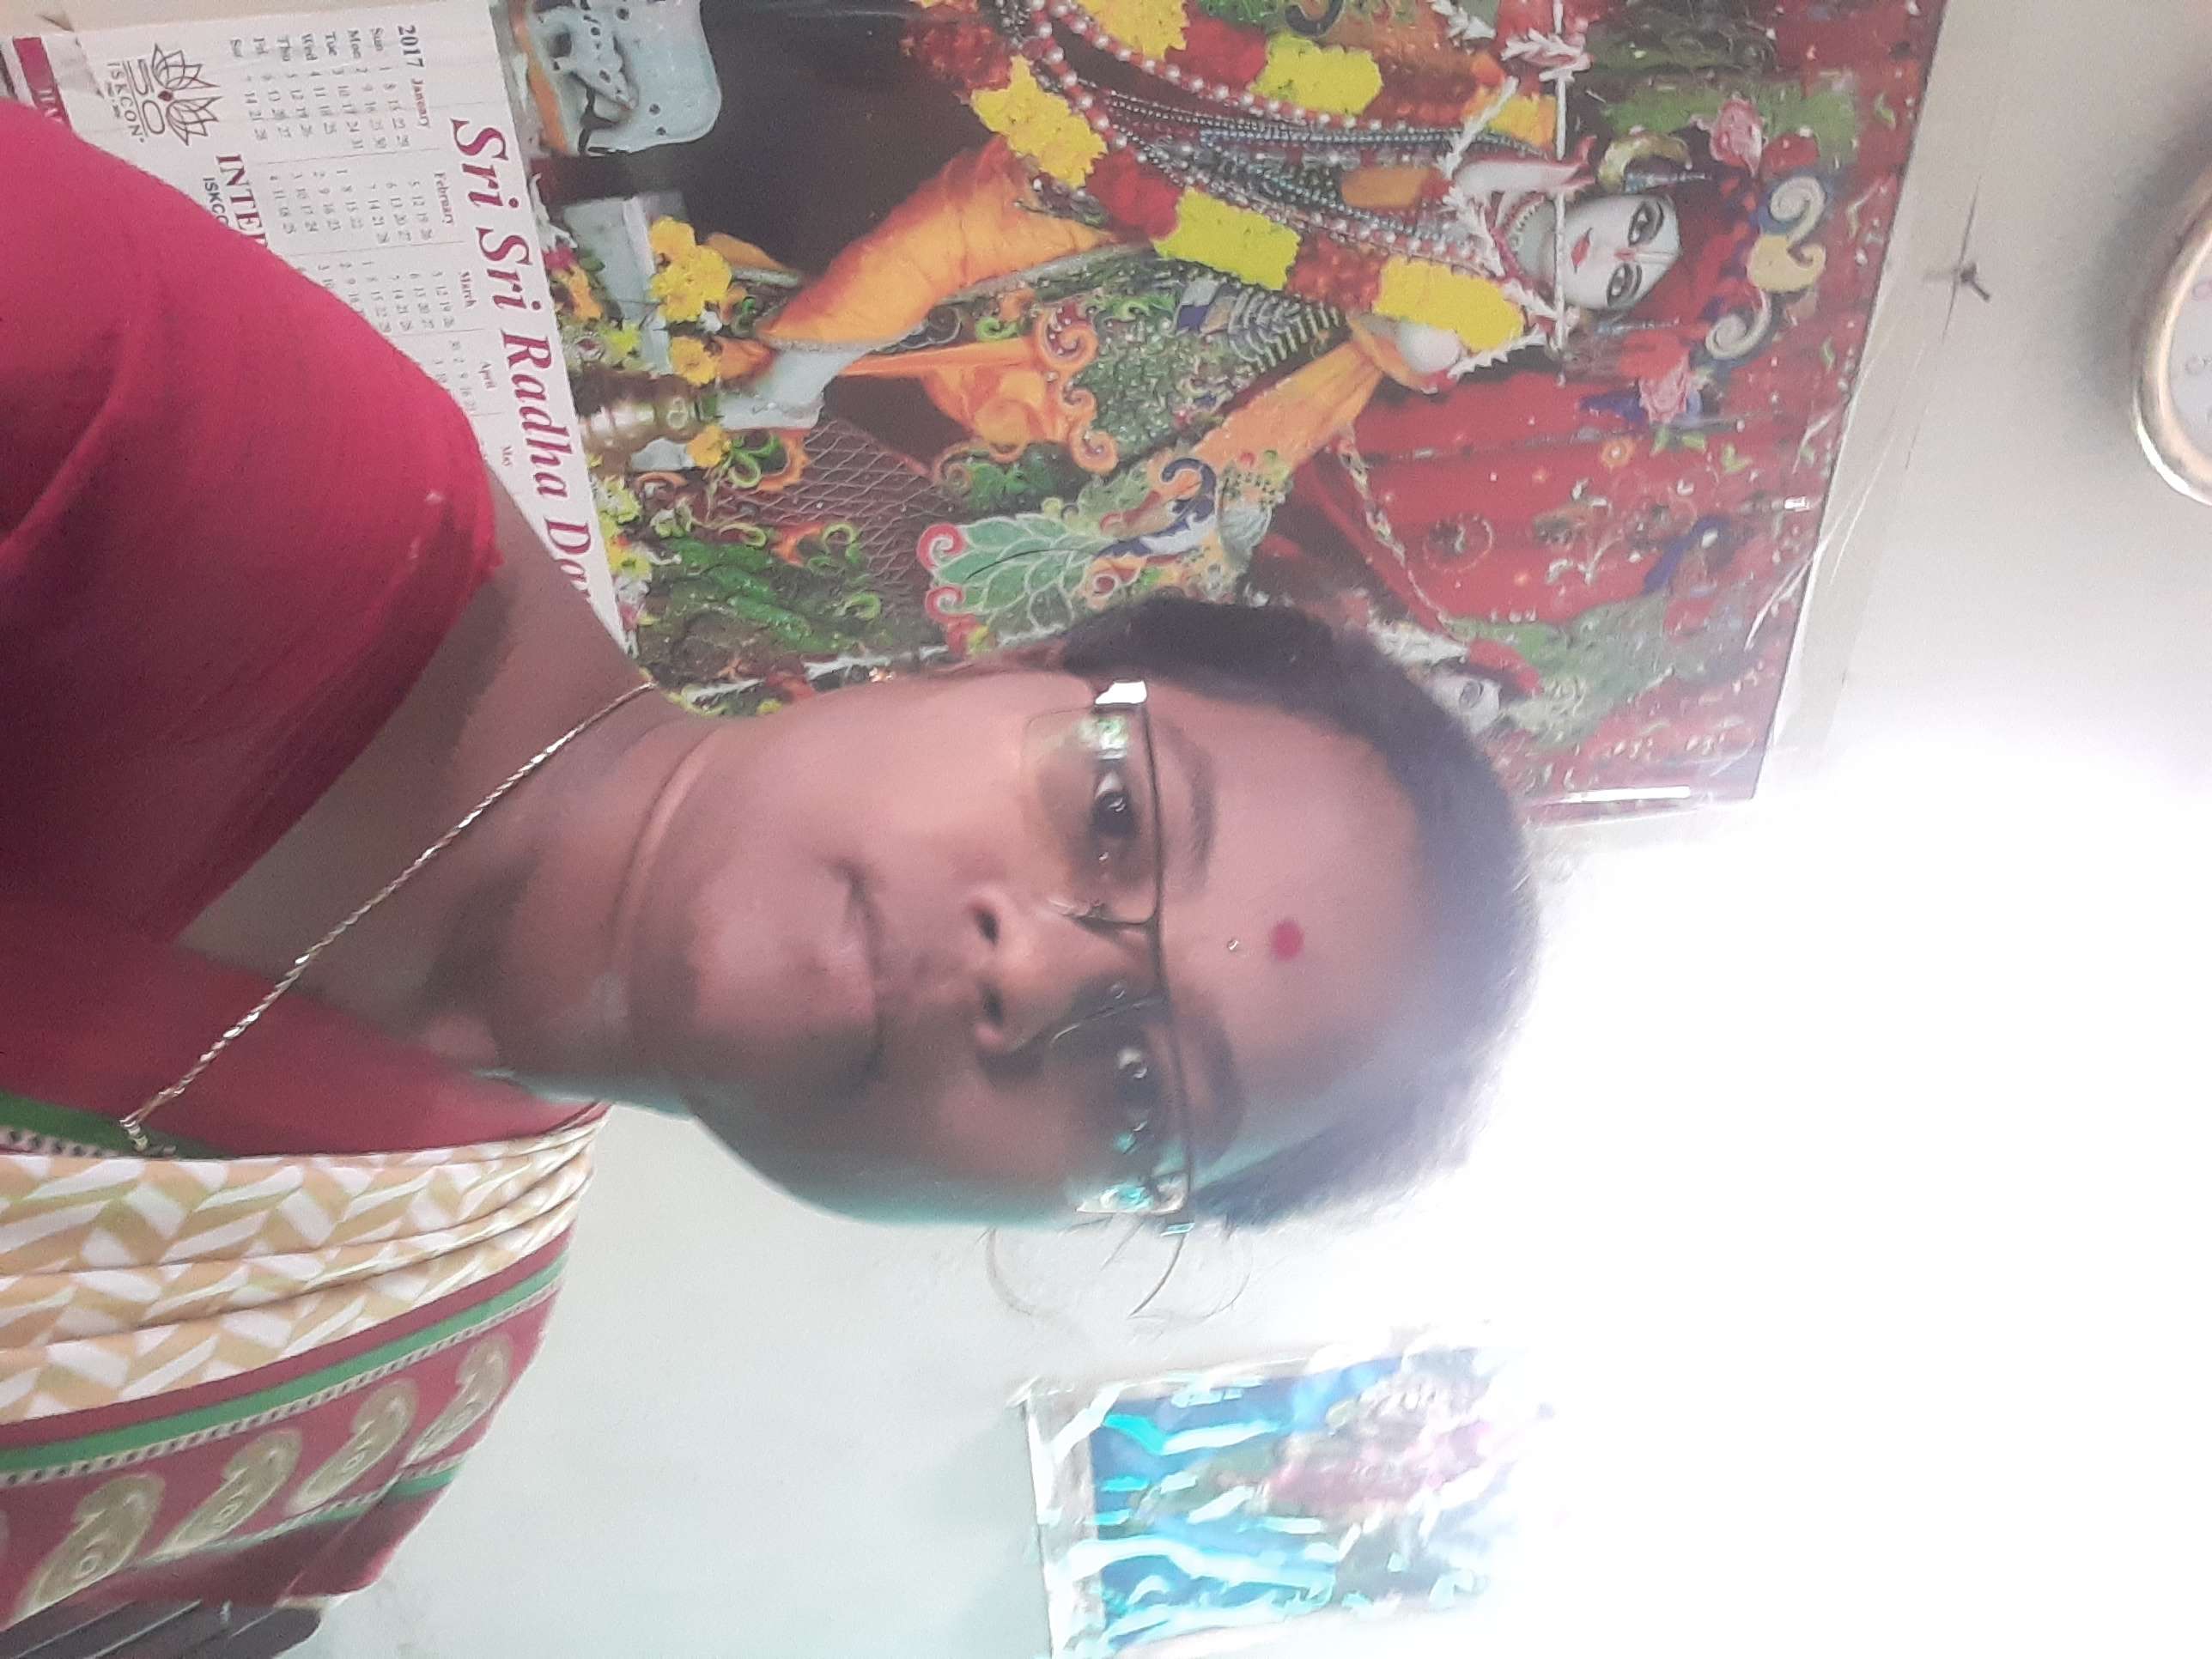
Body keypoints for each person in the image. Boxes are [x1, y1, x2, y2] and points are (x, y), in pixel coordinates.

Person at [0, 103, 1534, 1632]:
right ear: (999, 663)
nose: (1034, 965)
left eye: (1143, 1090)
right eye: (1117, 817)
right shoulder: (174, 432)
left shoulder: (381, 1395)